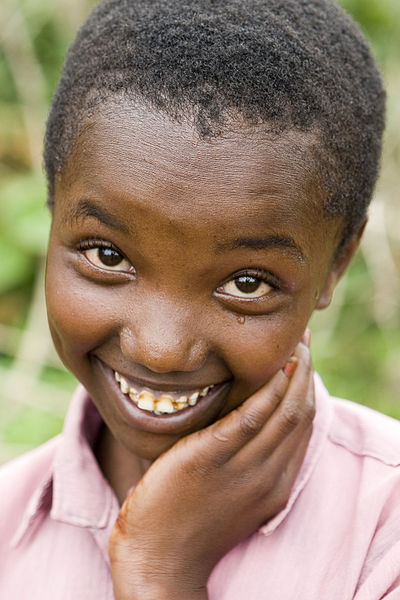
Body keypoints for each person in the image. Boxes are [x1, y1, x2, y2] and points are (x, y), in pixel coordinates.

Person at [1, 0, 399, 598]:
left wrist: (158, 570)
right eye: (108, 256)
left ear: (336, 263)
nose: (160, 351)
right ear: (53, 206)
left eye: (247, 283)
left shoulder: (383, 529)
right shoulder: (9, 528)